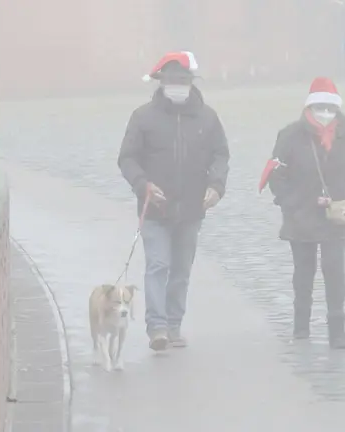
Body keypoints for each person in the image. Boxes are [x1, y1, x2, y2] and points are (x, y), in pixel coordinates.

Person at [118, 51, 230, 351]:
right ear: (161, 82)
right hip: (155, 208)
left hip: (192, 209)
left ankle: (174, 324)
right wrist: (143, 185)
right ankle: (157, 328)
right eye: (172, 80)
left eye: (183, 80)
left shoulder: (208, 118)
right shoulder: (143, 117)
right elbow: (127, 158)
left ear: (192, 83)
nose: (178, 85)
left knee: (181, 270)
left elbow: (221, 154)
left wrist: (217, 185)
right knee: (157, 265)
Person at [265, 77, 345, 349]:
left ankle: (337, 330)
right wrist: (291, 203)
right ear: (309, 108)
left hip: (336, 217)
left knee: (334, 271)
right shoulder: (289, 135)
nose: (324, 113)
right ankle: (301, 325)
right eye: (319, 107)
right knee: (303, 272)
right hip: (300, 216)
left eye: (329, 108)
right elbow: (276, 176)